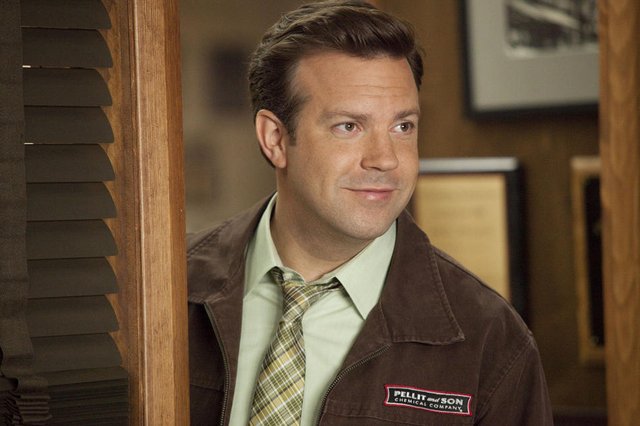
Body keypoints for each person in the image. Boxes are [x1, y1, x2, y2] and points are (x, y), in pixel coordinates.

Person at [187, 1, 553, 425]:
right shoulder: (168, 286)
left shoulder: (490, 338)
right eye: (349, 126)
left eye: (402, 127)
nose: (386, 159)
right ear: (275, 138)